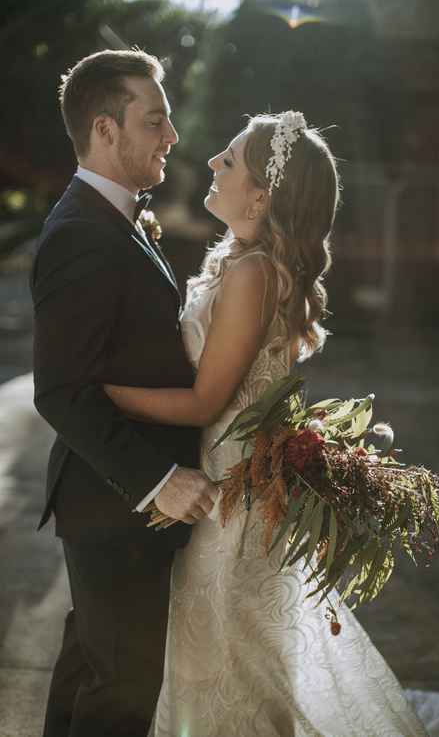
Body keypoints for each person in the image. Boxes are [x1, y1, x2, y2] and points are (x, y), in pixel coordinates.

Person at [104, 112, 429, 736]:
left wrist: (105, 395)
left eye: (228, 159)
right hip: (230, 484)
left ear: (262, 194)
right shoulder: (239, 260)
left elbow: (205, 404)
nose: (213, 165)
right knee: (226, 658)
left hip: (229, 502)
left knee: (224, 662)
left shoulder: (253, 275)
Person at [30, 49, 217, 737]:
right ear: (106, 130)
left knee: (93, 670)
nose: (171, 135)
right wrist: (159, 479)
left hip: (111, 504)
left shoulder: (113, 218)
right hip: (114, 501)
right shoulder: (82, 232)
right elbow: (59, 389)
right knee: (123, 691)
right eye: (156, 119)